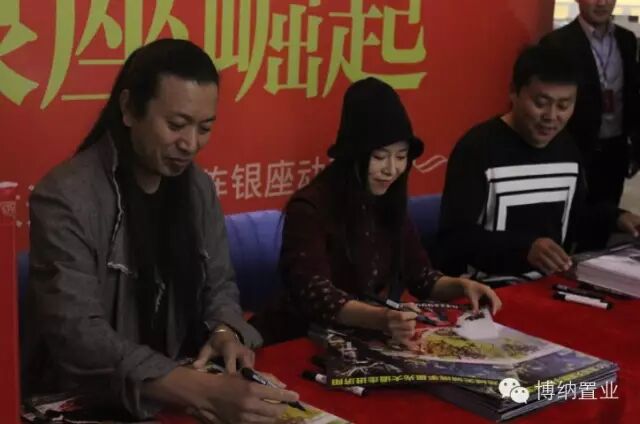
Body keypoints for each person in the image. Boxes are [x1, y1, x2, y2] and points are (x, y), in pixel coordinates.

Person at [22, 39, 298, 423]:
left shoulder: (198, 189)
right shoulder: (66, 196)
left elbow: (219, 285)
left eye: (205, 127)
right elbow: (78, 334)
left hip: (174, 393)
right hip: (87, 400)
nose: (190, 144)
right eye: (176, 125)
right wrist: (199, 388)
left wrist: (225, 331)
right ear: (128, 109)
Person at [273, 77, 501, 347]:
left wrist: (462, 286)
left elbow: (421, 277)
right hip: (300, 339)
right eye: (380, 157)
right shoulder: (310, 207)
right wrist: (381, 318)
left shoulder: (389, 201)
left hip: (365, 337)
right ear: (353, 155)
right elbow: (317, 296)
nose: (391, 170)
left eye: (401, 157)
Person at [437, 45, 640, 282]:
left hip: (549, 284)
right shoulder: (478, 149)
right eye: (541, 103)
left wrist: (616, 218)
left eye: (563, 105)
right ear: (513, 92)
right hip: (486, 288)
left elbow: (572, 218)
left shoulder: (567, 148)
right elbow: (454, 240)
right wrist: (525, 249)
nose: (551, 116)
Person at [540, 0, 640, 249]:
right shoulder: (557, 43)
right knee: (569, 223)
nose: (602, 3)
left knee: (604, 226)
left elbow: (632, 94)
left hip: (615, 149)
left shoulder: (627, 40)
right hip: (575, 148)